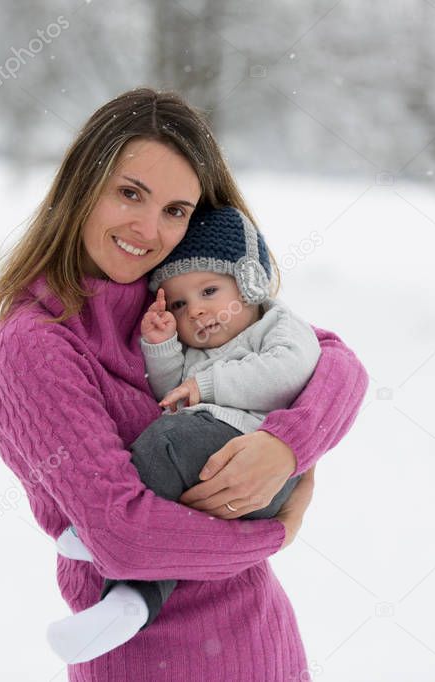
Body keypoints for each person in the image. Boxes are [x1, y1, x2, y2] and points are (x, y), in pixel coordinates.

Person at [0, 87, 368, 681]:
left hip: (262, 645)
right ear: (82, 186)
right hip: (150, 658)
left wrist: (287, 445)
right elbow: (122, 536)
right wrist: (272, 533)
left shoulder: (173, 300)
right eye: (130, 193)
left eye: (176, 210)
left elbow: (336, 363)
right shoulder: (33, 346)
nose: (148, 229)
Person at [46, 205, 324, 663]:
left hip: (257, 462)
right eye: (178, 303)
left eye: (210, 290)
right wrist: (161, 344)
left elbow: (287, 374)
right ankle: (131, 603)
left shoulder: (277, 326)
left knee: (167, 441)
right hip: (216, 456)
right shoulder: (200, 347)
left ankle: (99, 530)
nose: (197, 311)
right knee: (168, 506)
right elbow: (171, 389)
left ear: (250, 283)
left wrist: (207, 386)